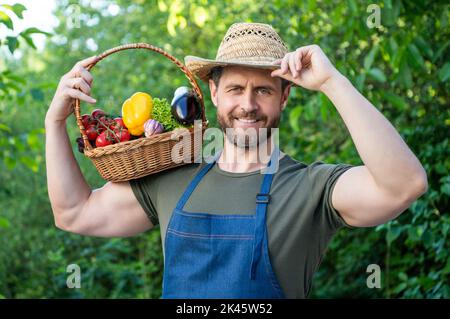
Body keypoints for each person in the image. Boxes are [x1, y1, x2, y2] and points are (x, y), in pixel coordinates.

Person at [45, 22, 428, 298]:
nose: (247, 105)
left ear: (284, 97)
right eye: (235, 89)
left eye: (263, 89)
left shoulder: (311, 189)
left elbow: (405, 185)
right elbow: (73, 212)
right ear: (213, 93)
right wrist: (55, 121)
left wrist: (332, 82)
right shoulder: (171, 175)